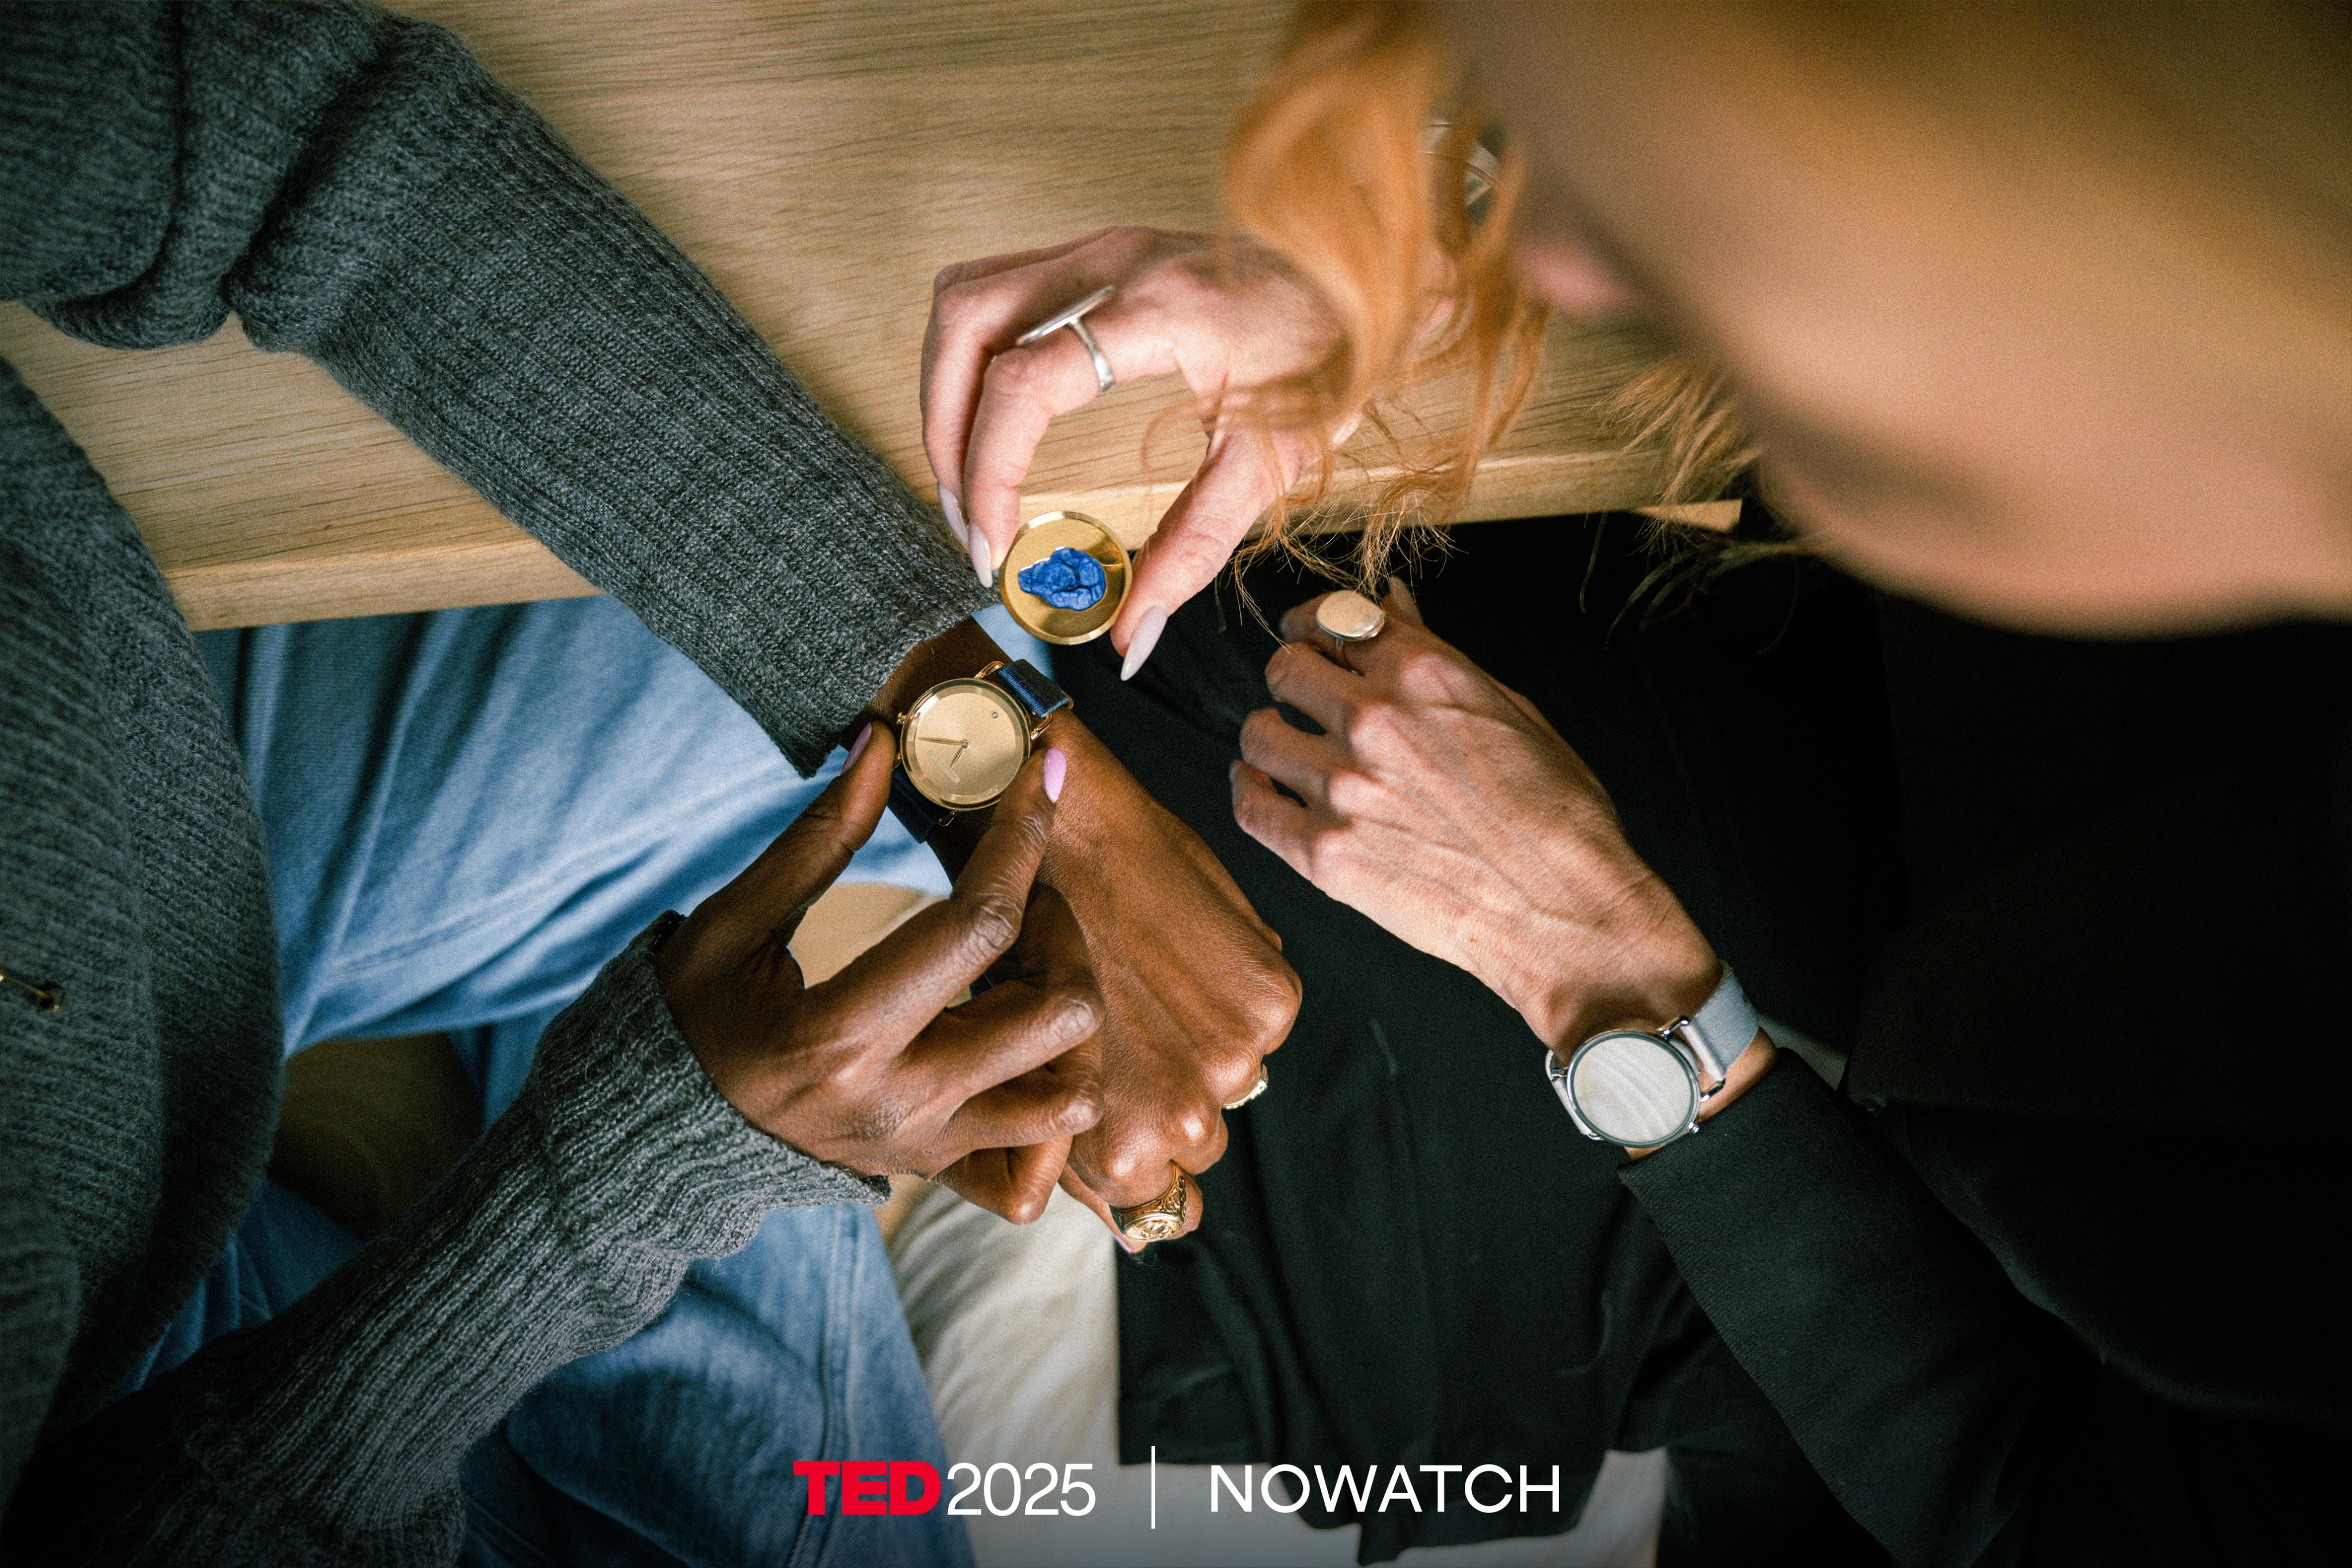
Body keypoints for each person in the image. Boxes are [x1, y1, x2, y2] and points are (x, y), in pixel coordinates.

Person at [918, 1, 2352, 1561]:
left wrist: (1615, 979)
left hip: (1938, 1320)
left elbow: (2020, 1502)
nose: (1575, 273)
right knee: (1231, 618)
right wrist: (1428, 250)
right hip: (1936, 833)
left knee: (1383, 1396)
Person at [1, 0, 1297, 1559]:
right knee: (865, 1514)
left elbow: (283, 126)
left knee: (894, 671)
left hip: (128, 888)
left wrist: (986, 762)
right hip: (199, 1369)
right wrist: (650, 1153)